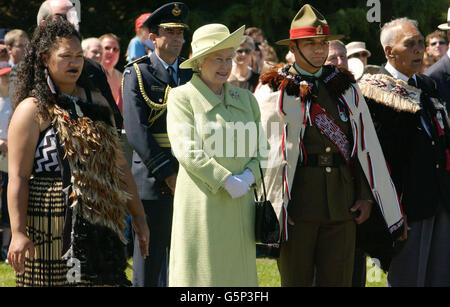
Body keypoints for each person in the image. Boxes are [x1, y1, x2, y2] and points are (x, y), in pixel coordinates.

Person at [253, 4, 404, 287]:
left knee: (339, 281)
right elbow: (265, 153)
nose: (319, 49)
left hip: (342, 203)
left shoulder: (345, 87)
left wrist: (365, 195)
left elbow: (364, 146)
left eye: (323, 43)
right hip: (297, 204)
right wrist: (277, 205)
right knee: (296, 281)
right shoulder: (274, 87)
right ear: (294, 47)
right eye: (311, 43)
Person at [6, 18, 149, 287]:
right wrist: (17, 232)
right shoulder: (32, 109)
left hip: (101, 221)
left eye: (79, 56)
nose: (75, 62)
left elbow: (119, 166)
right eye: (66, 56)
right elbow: (18, 177)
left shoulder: (96, 102)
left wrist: (138, 215)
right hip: (48, 226)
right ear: (45, 58)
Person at [167, 23, 266, 287]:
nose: (225, 66)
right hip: (202, 204)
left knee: (237, 278)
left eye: (229, 59)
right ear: (199, 62)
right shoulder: (181, 97)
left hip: (240, 205)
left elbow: (262, 150)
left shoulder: (247, 100)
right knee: (201, 277)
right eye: (217, 59)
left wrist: (248, 177)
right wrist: (224, 179)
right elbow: (185, 148)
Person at [359, 17, 450, 287]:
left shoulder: (427, 85)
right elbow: (378, 158)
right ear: (389, 51)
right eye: (410, 44)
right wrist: (391, 211)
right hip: (405, 208)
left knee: (440, 278)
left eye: (421, 43)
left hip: (438, 201)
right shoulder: (375, 90)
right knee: (409, 280)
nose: (419, 50)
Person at [122, 2, 192, 287]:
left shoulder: (192, 74)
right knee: (149, 263)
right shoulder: (137, 73)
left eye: (180, 32)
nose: (176, 38)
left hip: (190, 176)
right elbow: (137, 132)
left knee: (185, 260)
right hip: (152, 181)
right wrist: (168, 174)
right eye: (169, 32)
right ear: (152, 37)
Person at [34, 0, 123, 135]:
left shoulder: (93, 69)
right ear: (44, 25)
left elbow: (113, 121)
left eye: (73, 18)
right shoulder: (25, 71)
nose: (70, 23)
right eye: (62, 18)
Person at [425, 9, 450, 112]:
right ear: (449, 34)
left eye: (441, 43)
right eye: (434, 44)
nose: (438, 46)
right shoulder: (430, 79)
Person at [0, 61, 12, 262]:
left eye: (8, 75)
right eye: (2, 75)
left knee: (8, 201)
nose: (6, 79)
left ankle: (6, 245)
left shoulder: (15, 101)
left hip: (9, 158)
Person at [100, 33, 123, 113]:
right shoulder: (87, 74)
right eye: (107, 48)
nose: (111, 52)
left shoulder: (123, 78)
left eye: (115, 49)